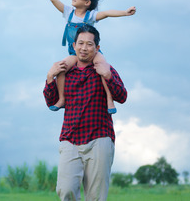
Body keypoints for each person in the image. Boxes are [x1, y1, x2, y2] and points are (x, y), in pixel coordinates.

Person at [43, 25, 127, 201]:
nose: (84, 48)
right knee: (65, 190)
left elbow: (122, 96)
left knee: (95, 196)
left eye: (89, 44)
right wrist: (50, 77)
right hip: (70, 138)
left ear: (97, 48)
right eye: (80, 43)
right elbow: (51, 102)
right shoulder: (66, 72)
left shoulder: (104, 69)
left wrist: (108, 76)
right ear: (74, 45)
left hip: (99, 137)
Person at [44, 0, 135, 114]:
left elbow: (107, 13)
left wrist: (125, 12)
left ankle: (109, 100)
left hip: (93, 52)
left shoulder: (91, 15)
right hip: (75, 53)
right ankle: (62, 99)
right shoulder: (68, 12)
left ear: (87, 2)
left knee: (102, 66)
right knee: (61, 67)